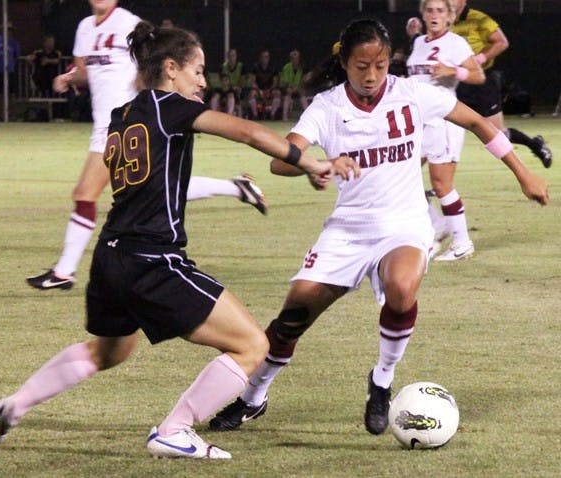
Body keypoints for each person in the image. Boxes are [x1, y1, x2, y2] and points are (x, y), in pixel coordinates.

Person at [0, 21, 332, 459]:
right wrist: (309, 163)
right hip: (152, 259)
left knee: (107, 353)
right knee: (252, 346)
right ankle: (175, 429)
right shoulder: (171, 108)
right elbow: (247, 131)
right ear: (170, 69)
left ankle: (12, 406)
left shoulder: (123, 115)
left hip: (111, 255)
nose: (204, 80)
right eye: (198, 70)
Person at [208, 18, 548, 436]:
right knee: (294, 315)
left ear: (390, 62)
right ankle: (253, 397)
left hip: (404, 223)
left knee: (402, 288)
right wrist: (319, 165)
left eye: (381, 65)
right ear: (344, 63)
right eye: (360, 67)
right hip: (348, 229)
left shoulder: (412, 94)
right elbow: (281, 160)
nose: (371, 76)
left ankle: (382, 381)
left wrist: (523, 174)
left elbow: (479, 123)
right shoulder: (328, 106)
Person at [26, 0, 267, 291]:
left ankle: (64, 272)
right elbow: (86, 71)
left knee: (86, 194)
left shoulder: (128, 23)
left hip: (132, 122)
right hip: (107, 123)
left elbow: (157, 64)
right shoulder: (85, 28)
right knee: (154, 188)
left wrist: (176, 96)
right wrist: (68, 78)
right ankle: (237, 188)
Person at [406, 0, 485, 261]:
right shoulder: (419, 43)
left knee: (441, 184)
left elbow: (478, 76)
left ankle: (462, 243)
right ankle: (439, 226)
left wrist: (454, 70)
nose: (434, 15)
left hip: (445, 120)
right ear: (423, 14)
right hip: (419, 122)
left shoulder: (456, 43)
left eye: (440, 10)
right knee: (402, 175)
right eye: (429, 10)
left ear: (450, 16)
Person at [451, 0, 552, 169]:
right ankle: (441, 186)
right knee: (445, 130)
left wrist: (480, 58)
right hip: (457, 83)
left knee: (498, 134)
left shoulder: (479, 18)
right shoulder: (444, 21)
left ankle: (535, 144)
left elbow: (502, 42)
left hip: (482, 82)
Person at [247, 49, 281, 120]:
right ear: (260, 58)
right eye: (263, 57)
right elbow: (252, 81)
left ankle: (272, 114)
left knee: (278, 93)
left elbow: (275, 82)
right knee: (251, 94)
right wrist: (259, 91)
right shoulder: (255, 67)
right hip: (258, 89)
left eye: (267, 57)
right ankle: (255, 115)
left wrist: (269, 90)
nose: (265, 58)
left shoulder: (273, 67)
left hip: (270, 89)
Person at [279, 49, 309, 121]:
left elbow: (304, 81)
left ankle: (308, 116)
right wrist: (291, 87)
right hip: (288, 88)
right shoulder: (286, 67)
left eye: (297, 58)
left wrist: (298, 87)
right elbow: (284, 82)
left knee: (302, 92)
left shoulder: (303, 67)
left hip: (299, 88)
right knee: (288, 92)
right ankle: (284, 116)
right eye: (293, 58)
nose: (295, 60)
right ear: (290, 59)